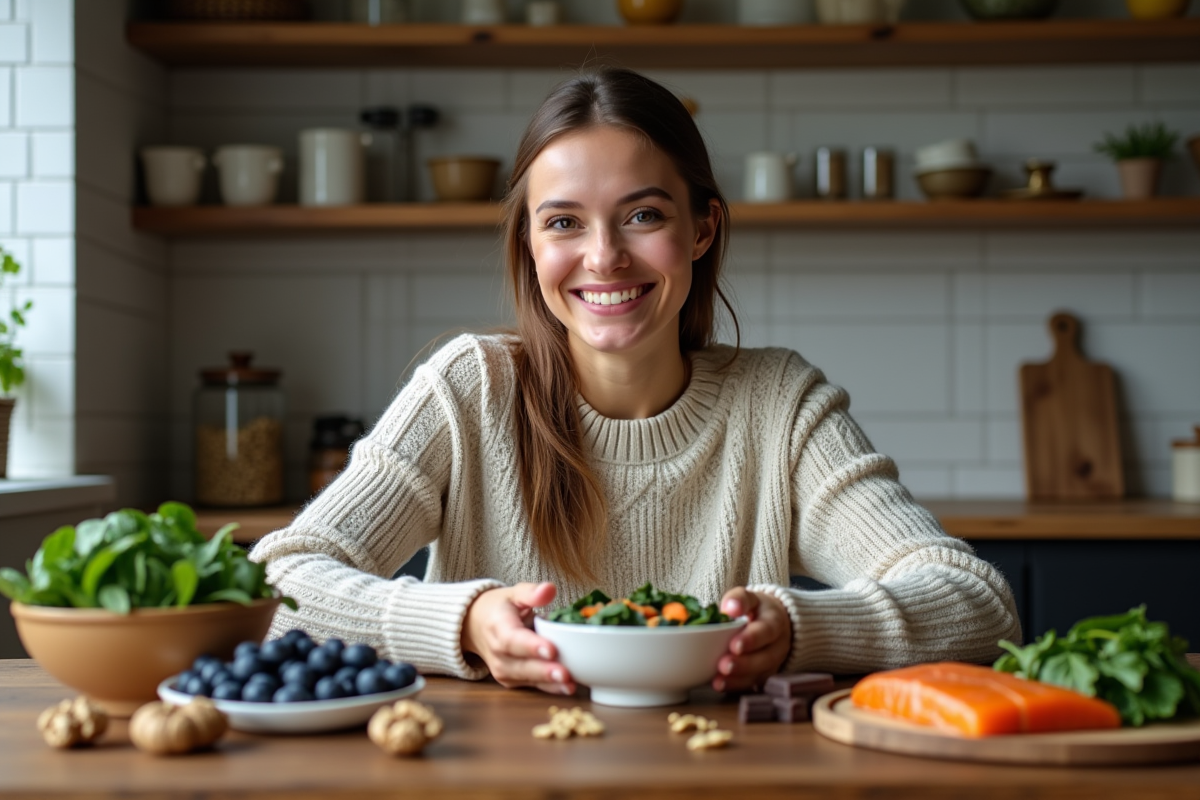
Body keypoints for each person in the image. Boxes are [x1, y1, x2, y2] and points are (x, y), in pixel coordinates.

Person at [250, 67, 1020, 696]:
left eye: (642, 215)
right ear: (529, 240)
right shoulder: (469, 389)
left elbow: (978, 605)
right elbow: (277, 590)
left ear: (702, 227)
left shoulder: (779, 405)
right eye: (563, 222)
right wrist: (466, 621)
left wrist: (797, 628)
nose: (604, 256)